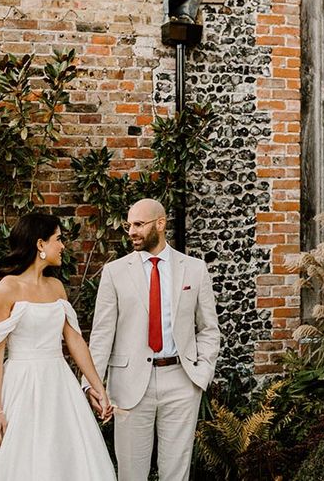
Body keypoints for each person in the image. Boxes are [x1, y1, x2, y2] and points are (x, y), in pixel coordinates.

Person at [0, 212, 116, 481]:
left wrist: (98, 386)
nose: (63, 245)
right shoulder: (7, 288)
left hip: (59, 385)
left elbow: (74, 340)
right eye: (58, 239)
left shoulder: (57, 287)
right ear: (40, 244)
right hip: (21, 385)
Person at [83, 198, 221, 481]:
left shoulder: (194, 269)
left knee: (176, 473)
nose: (131, 231)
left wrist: (202, 374)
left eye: (138, 224)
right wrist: (92, 385)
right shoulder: (115, 272)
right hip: (130, 386)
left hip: (181, 381)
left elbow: (208, 328)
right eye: (128, 225)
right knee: (131, 473)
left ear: (160, 224)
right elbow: (101, 334)